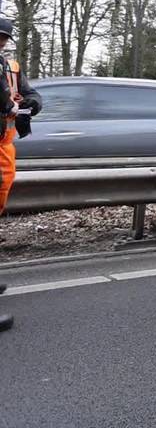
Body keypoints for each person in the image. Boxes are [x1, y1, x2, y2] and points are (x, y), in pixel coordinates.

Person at [0, 17, 42, 333]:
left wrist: (30, 103)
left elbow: (29, 93)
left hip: (4, 145)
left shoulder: (10, 66)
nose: (2, 41)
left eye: (4, 37)